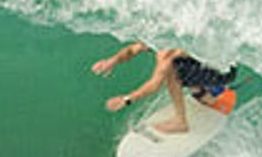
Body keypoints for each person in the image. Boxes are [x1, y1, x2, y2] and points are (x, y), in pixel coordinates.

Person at [91, 40, 239, 135]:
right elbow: (132, 49)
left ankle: (181, 122)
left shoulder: (167, 53)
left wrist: (127, 99)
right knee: (182, 64)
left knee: (172, 72)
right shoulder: (166, 35)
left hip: (223, 71)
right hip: (220, 62)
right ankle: (205, 95)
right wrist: (112, 61)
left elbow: (155, 84)